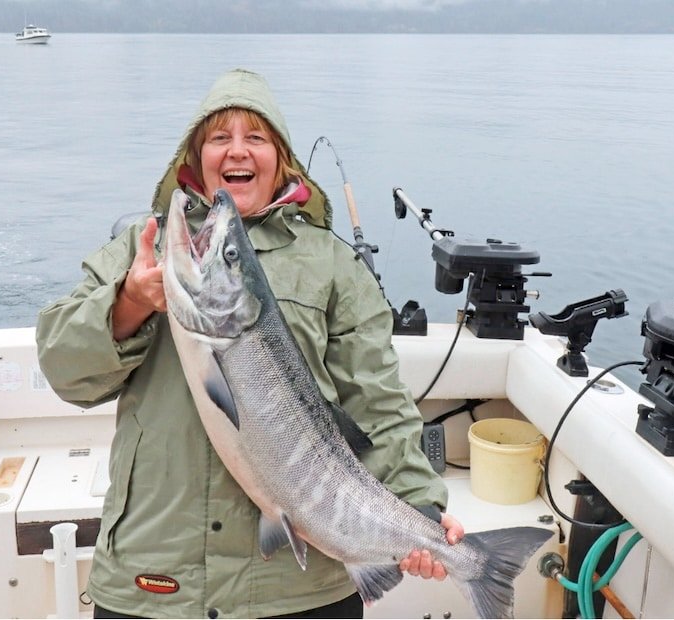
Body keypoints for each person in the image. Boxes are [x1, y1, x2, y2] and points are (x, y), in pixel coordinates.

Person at [36, 68, 464, 619]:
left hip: (298, 586)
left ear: (282, 160)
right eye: (219, 137)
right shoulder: (142, 251)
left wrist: (420, 505)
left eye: (256, 137)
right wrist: (130, 301)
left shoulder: (334, 264)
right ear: (195, 158)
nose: (237, 151)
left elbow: (378, 404)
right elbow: (64, 371)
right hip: (156, 574)